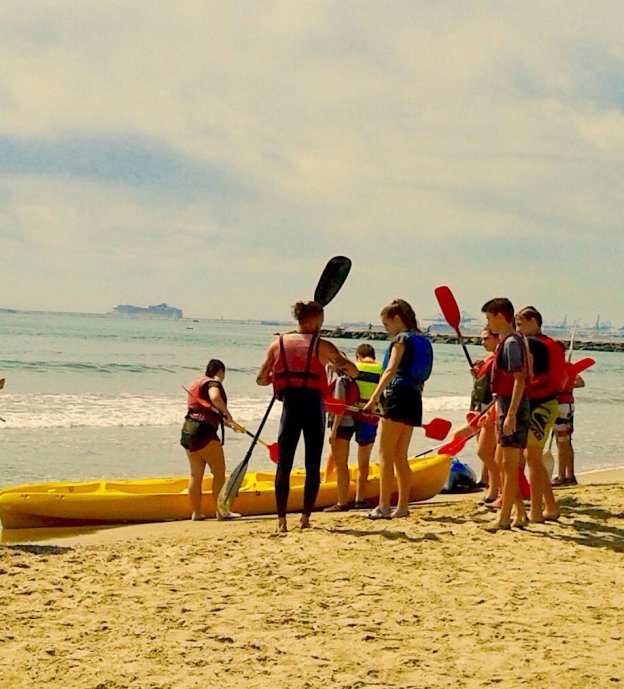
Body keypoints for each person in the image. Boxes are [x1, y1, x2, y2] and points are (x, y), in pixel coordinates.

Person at [256, 301, 358, 533]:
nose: (322, 326)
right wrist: (341, 361)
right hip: (313, 407)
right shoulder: (322, 346)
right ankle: (305, 518)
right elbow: (353, 371)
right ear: (313, 321)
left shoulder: (277, 344)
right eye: (321, 322)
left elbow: (261, 379)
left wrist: (280, 376)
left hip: (289, 407)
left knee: (284, 464)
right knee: (312, 465)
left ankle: (281, 520)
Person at [362, 299, 433, 519]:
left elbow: (391, 368)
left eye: (386, 325)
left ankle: (383, 506)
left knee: (385, 454)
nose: (387, 330)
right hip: (414, 398)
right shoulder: (422, 340)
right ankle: (402, 507)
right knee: (401, 455)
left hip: (397, 397)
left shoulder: (401, 340)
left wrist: (373, 399)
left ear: (397, 319)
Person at [481, 298, 529, 531]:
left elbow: (519, 380)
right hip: (505, 404)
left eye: (489, 318)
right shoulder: (511, 341)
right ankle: (520, 512)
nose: (488, 324)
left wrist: (510, 415)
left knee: (509, 465)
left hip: (513, 406)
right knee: (502, 462)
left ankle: (504, 517)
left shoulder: (511, 343)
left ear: (500, 316)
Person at [515, 306, 564, 522]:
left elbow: (545, 376)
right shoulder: (550, 345)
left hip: (542, 404)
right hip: (543, 402)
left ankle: (536, 511)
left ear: (533, 321)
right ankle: (550, 507)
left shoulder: (543, 345)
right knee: (532, 457)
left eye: (520, 324)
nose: (518, 329)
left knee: (532, 457)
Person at [324, 343, 384, 511]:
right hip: (371, 417)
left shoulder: (352, 369)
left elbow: (342, 399)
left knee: (340, 460)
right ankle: (360, 499)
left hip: (348, 416)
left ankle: (341, 500)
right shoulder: (382, 369)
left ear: (358, 355)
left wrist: (334, 428)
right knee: (363, 462)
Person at [180, 359, 241, 521]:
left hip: (188, 432)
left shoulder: (196, 383)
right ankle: (222, 512)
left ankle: (196, 513)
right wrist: (229, 414)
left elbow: (205, 412)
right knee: (219, 473)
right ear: (220, 371)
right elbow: (215, 399)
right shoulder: (213, 383)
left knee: (195, 475)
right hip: (205, 434)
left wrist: (231, 425)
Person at [470, 327, 500, 500]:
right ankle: (487, 481)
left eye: (486, 338)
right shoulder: (489, 360)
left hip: (490, 408)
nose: (483, 342)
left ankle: (494, 487)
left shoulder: (497, 359)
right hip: (480, 406)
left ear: (496, 339)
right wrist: (476, 376)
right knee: (484, 449)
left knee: (487, 450)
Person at [553, 346, 585, 486]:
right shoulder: (567, 367)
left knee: (562, 442)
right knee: (566, 441)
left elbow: (580, 383)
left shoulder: (559, 368)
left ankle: (561, 476)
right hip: (568, 406)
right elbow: (580, 383)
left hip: (562, 406)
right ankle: (570, 475)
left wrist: (566, 385)